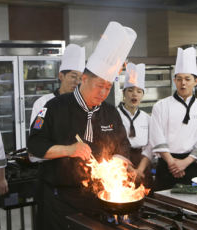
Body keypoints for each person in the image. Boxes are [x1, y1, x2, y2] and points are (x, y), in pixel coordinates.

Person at [27, 21, 136, 230]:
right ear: (84, 79)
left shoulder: (110, 112)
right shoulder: (53, 107)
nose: (104, 93)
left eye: (108, 87)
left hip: (97, 200)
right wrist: (69, 150)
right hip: (59, 200)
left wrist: (117, 163)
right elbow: (35, 144)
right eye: (99, 86)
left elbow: (123, 144)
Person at [147, 47, 197, 191]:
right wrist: (172, 163)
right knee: (164, 208)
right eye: (179, 79)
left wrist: (184, 163)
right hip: (166, 165)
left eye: (188, 79)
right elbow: (156, 137)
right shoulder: (161, 106)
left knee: (192, 210)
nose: (183, 83)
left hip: (192, 166)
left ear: (196, 81)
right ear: (174, 80)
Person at [30, 44, 85, 127]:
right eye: (73, 76)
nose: (77, 82)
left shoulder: (83, 104)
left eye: (80, 78)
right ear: (61, 76)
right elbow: (37, 129)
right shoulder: (43, 103)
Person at [117, 62, 151, 187]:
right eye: (130, 90)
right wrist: (129, 169)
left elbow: (150, 145)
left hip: (142, 162)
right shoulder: (114, 115)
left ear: (142, 95)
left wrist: (140, 170)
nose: (134, 94)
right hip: (121, 163)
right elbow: (113, 145)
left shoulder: (147, 118)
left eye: (139, 91)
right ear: (124, 93)